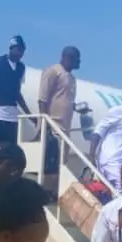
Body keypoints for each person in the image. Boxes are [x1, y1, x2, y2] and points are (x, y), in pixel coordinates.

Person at [38, 46, 81, 176]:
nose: (79, 63)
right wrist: (45, 124)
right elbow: (42, 99)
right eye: (77, 59)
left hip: (65, 128)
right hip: (53, 127)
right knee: (50, 164)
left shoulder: (72, 79)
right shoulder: (53, 72)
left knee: (61, 164)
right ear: (68, 58)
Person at [0, 36, 30, 145]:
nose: (21, 54)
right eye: (19, 50)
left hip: (12, 116)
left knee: (10, 147)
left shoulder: (21, 68)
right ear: (11, 48)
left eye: (23, 51)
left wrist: (29, 114)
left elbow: (17, 93)